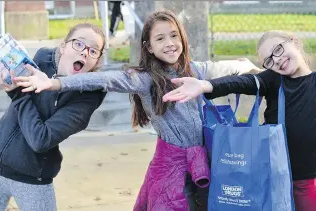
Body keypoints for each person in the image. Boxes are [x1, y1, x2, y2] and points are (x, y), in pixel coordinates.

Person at [14, 10, 261, 210]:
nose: (170, 43)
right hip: (170, 169)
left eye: (174, 35)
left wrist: (249, 66)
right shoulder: (144, 79)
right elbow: (104, 80)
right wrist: (53, 83)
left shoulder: (195, 70)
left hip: (203, 163)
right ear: (149, 47)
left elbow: (222, 68)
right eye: (160, 38)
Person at [163, 30, 316, 211]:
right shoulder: (274, 80)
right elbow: (244, 82)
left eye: (278, 49)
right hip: (267, 183)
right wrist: (204, 85)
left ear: (295, 42)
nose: (277, 60)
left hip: (304, 185)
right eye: (269, 60)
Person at [0, 23, 107, 211]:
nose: (85, 53)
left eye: (93, 51)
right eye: (79, 44)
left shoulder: (87, 97)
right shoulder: (42, 58)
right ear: (63, 46)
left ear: (96, 62)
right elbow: (20, 94)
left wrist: (17, 94)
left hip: (31, 177)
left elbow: (41, 139)